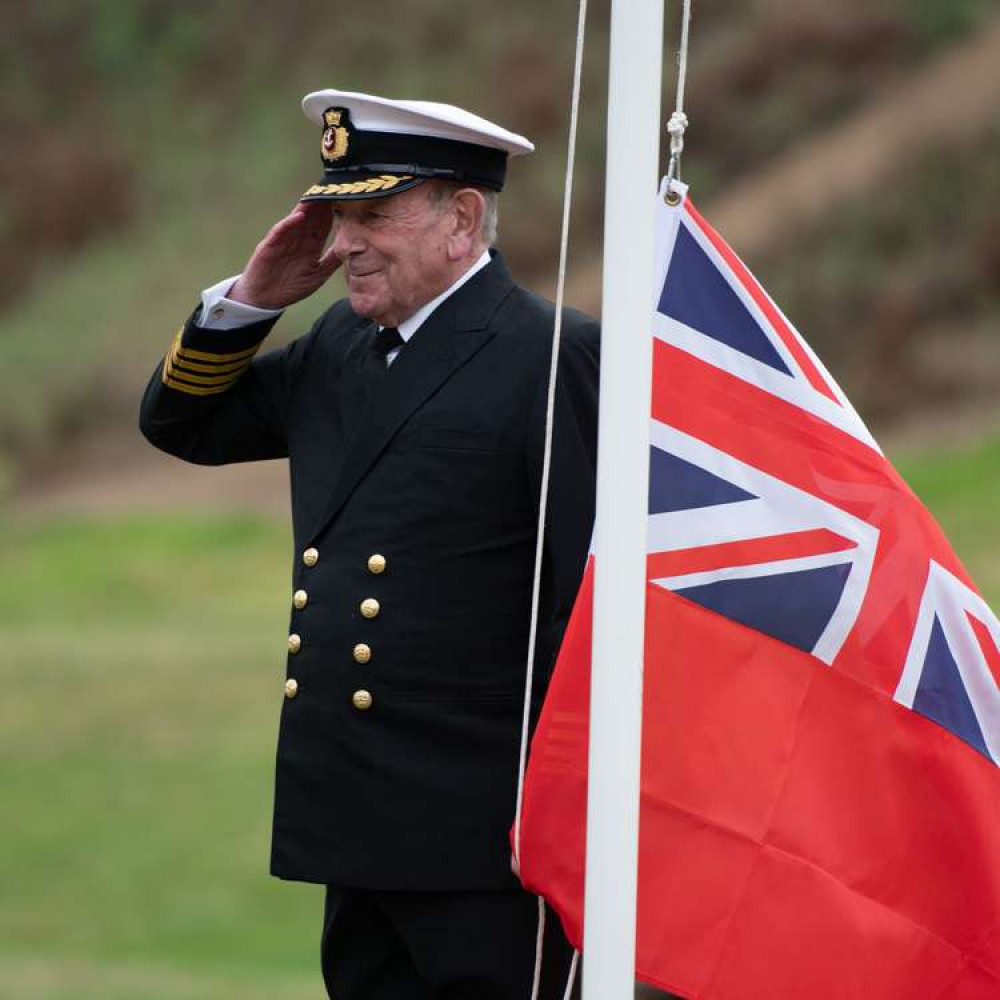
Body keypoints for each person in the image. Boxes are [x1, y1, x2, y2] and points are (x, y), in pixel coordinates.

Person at [139, 88, 599, 1000]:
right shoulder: (340, 344)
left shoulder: (552, 355)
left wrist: (567, 827)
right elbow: (181, 424)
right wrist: (251, 299)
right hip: (353, 825)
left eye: (372, 214)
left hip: (485, 846)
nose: (343, 242)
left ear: (462, 219)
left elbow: (582, 606)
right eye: (337, 214)